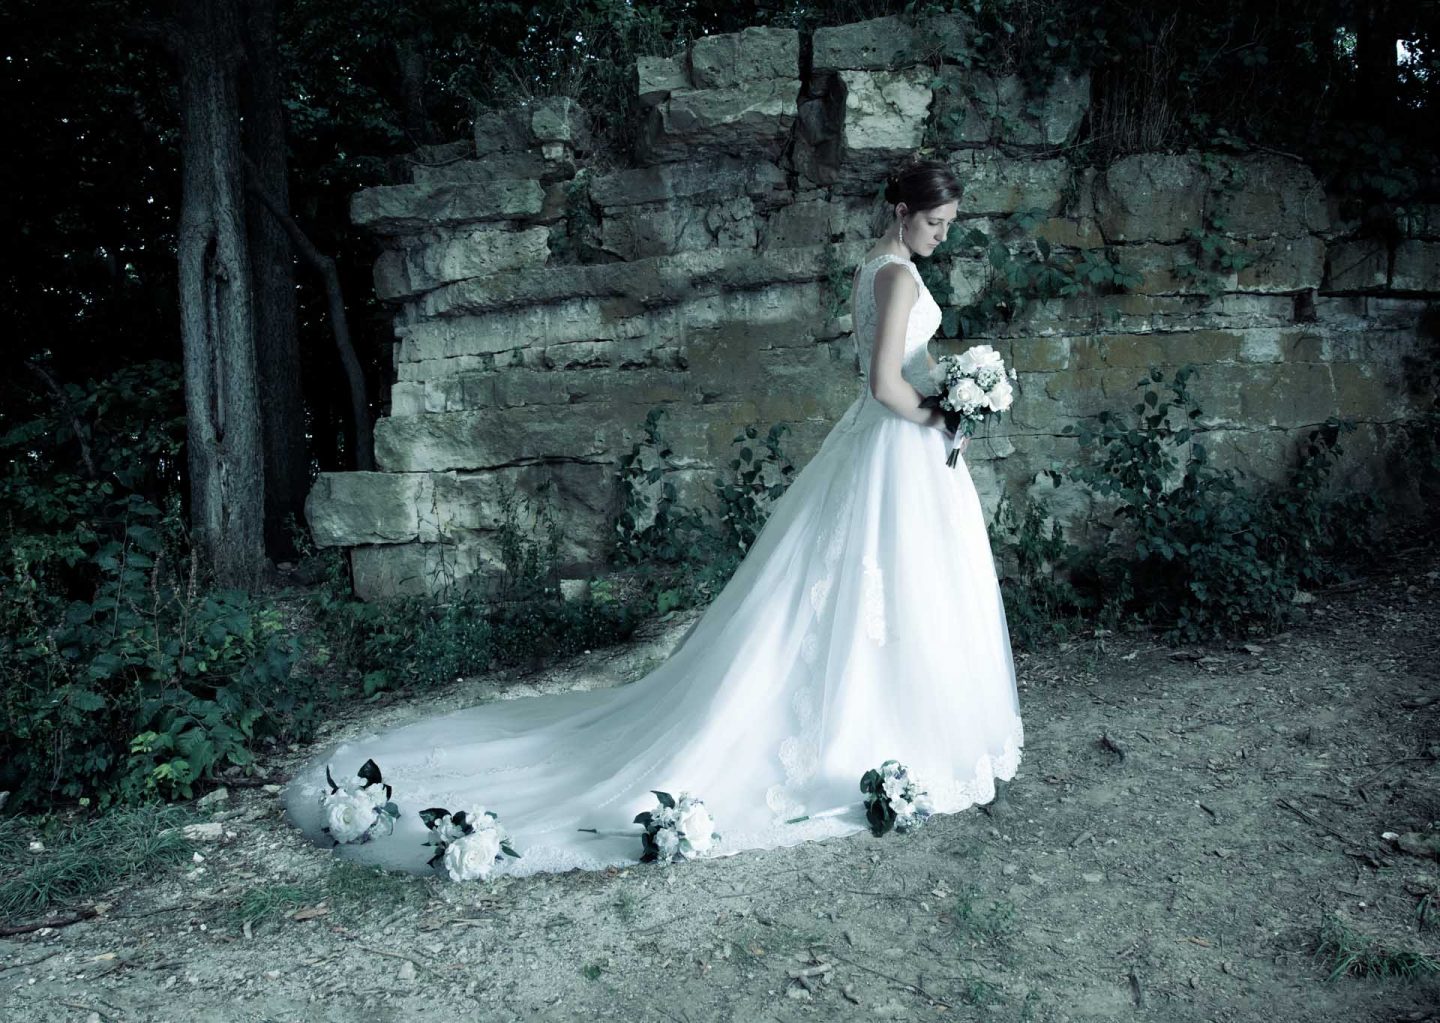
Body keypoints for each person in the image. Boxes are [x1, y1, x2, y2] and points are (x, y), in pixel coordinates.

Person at [283, 157, 1025, 877]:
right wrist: (947, 408)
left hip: (886, 449)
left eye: (949, 224)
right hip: (899, 440)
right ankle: (872, 734)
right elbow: (884, 381)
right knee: (883, 581)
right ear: (903, 210)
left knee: (892, 587)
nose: (942, 234)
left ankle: (889, 722)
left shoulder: (874, 267)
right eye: (936, 222)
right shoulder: (895, 273)